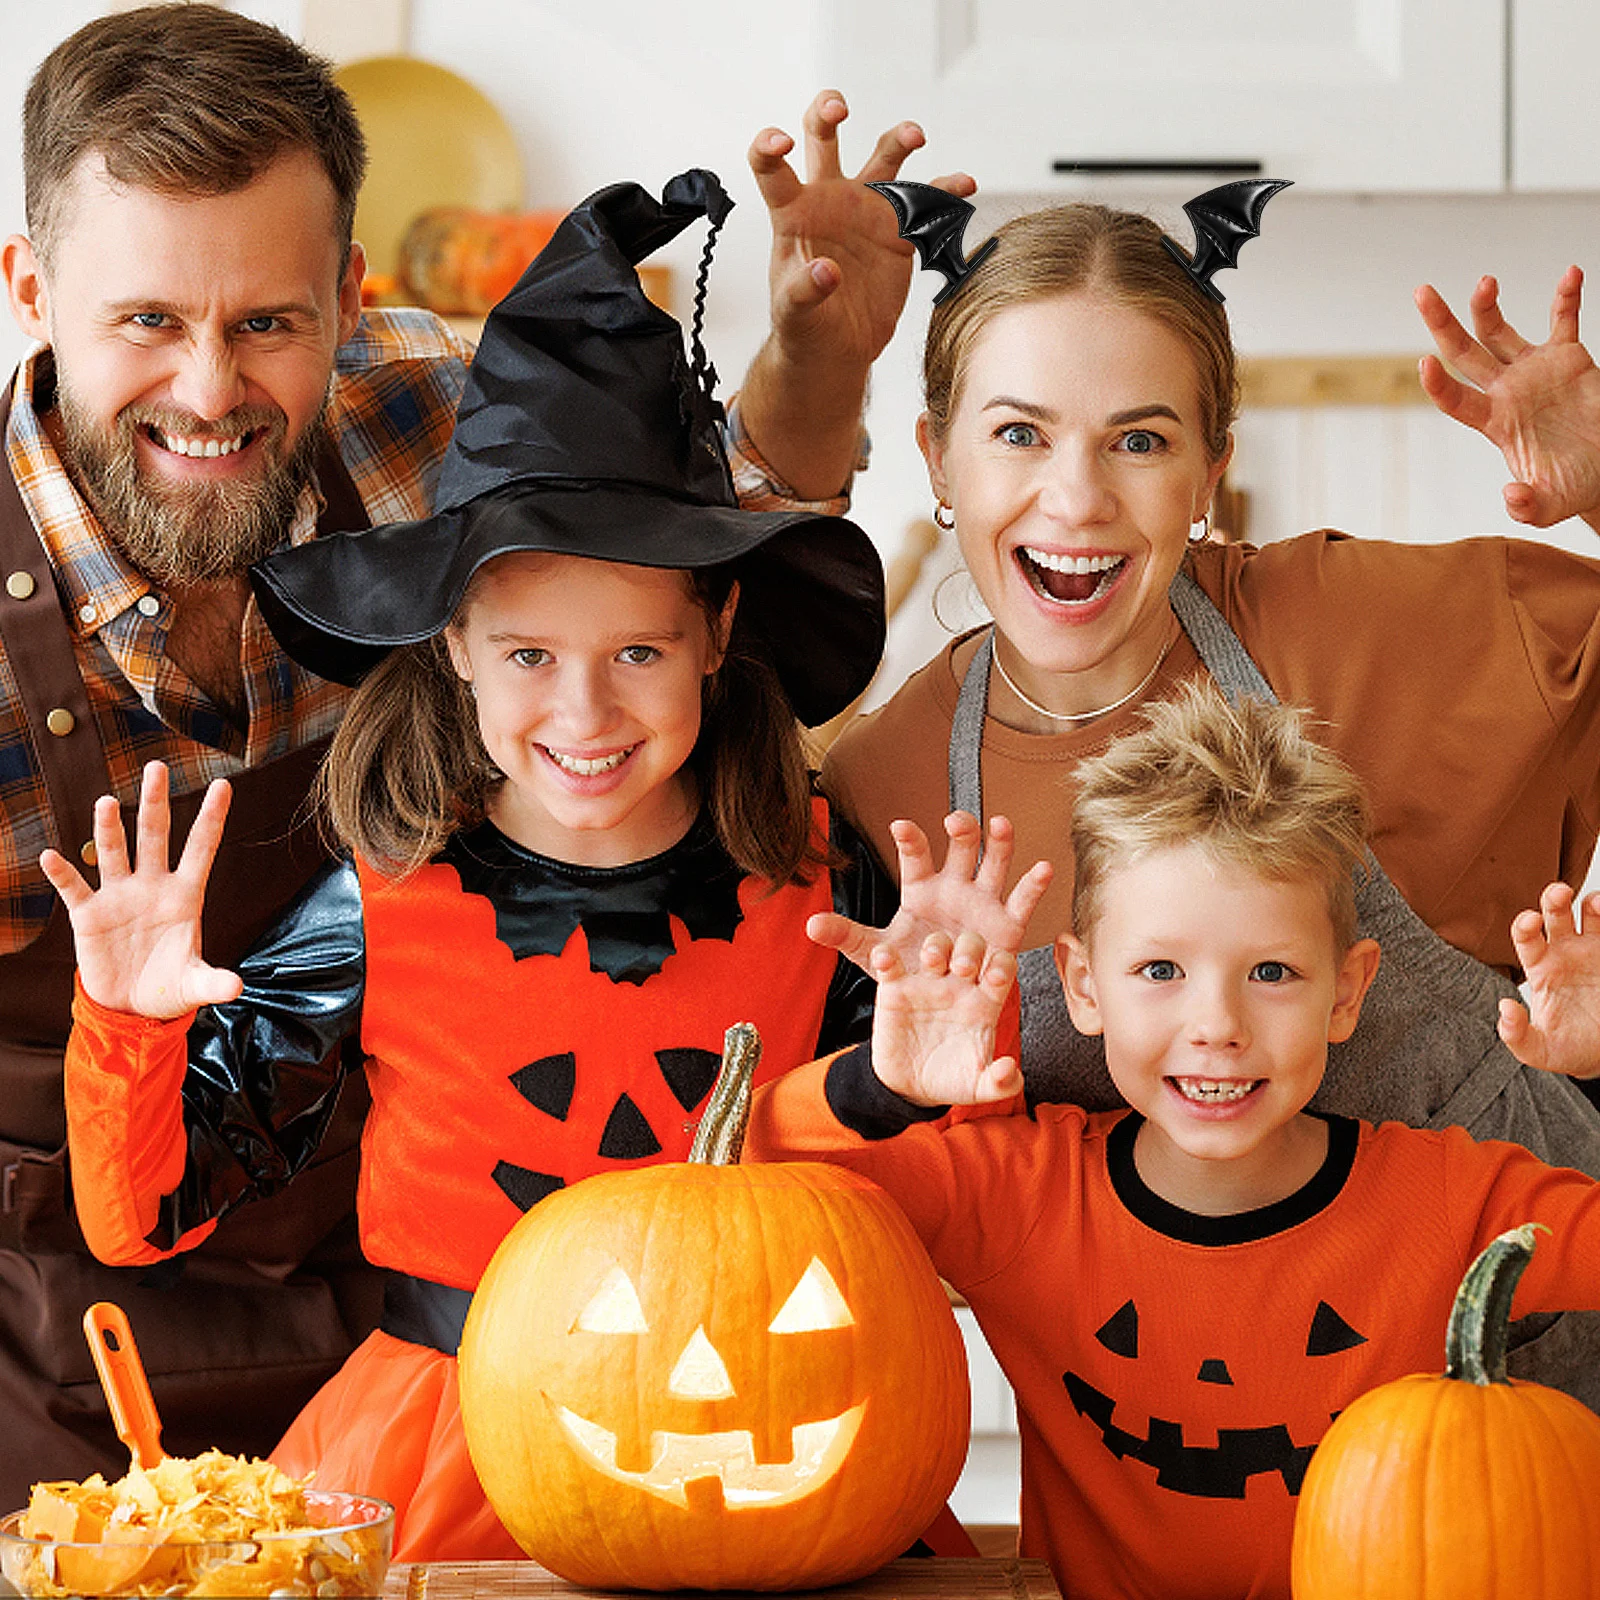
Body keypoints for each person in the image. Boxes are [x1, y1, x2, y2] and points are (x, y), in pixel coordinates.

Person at [0, 5, 968, 1501]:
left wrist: (824, 349)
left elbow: (708, 526)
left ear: (347, 292)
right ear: (32, 289)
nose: (209, 390)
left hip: (421, 1309)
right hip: (62, 1320)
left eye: (268, 322)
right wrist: (131, 1031)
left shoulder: (444, 422)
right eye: (146, 322)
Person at [815, 197, 1600, 1401]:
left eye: (1139, 440)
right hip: (1172, 1438)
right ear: (935, 457)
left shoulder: (1354, 631)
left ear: (1208, 471)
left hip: (1524, 1400)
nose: (1074, 500)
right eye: (1019, 434)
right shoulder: (889, 784)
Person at [751, 681, 1600, 1600]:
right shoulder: (1021, 1196)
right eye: (1160, 970)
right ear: (1081, 986)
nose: (1217, 1025)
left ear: (1347, 993)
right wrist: (885, 1087)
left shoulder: (1455, 1200)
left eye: (1271, 972)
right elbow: (740, 1197)